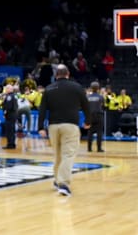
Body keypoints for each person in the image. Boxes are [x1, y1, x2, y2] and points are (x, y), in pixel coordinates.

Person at [38, 64, 90, 197]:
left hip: (53, 126)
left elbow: (42, 109)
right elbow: (86, 106)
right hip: (70, 125)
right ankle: (64, 184)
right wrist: (88, 121)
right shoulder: (77, 87)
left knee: (58, 154)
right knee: (68, 154)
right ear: (68, 74)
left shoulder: (49, 89)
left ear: (56, 76)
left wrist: (40, 127)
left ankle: (57, 180)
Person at [86, 81, 105, 152]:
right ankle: (99, 148)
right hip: (99, 115)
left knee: (90, 132)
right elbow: (103, 105)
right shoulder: (101, 97)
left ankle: (89, 148)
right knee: (99, 132)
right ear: (98, 88)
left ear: (91, 88)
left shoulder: (87, 97)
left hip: (90, 116)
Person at [1, 84, 17, 149]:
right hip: (13, 115)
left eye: (7, 88)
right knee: (12, 130)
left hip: (10, 115)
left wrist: (5, 112)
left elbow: (8, 106)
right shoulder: (14, 96)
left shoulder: (9, 96)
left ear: (10, 89)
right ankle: (12, 143)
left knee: (9, 130)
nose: (6, 90)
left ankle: (10, 144)